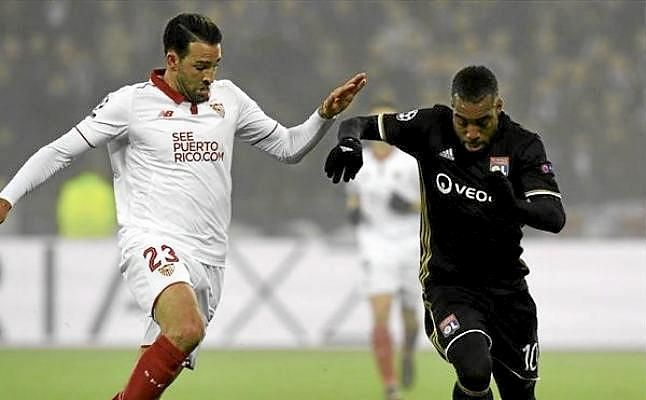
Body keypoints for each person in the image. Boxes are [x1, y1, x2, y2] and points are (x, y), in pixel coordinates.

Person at [0, 13, 366, 400]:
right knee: (187, 327)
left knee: (150, 380)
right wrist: (8, 197)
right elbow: (60, 151)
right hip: (153, 240)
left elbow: (288, 147)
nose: (210, 76)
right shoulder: (131, 104)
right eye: (201, 66)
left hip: (210, 257)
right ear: (172, 61)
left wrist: (325, 115)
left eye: (216, 65)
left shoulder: (230, 98)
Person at [324, 65, 565, 400]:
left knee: (520, 394)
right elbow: (355, 123)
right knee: (475, 369)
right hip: (449, 285)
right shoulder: (431, 126)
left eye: (482, 122)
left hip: (508, 292)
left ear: (498, 107)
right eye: (462, 121)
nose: (471, 132)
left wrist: (512, 204)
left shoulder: (523, 145)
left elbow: (554, 217)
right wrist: (349, 143)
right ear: (453, 108)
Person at [346, 104, 421, 400]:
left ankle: (408, 353)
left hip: (409, 243)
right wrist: (353, 212)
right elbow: (354, 197)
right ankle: (390, 387)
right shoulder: (358, 162)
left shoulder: (412, 162)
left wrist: (409, 206)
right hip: (374, 243)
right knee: (380, 313)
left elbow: (433, 204)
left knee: (410, 317)